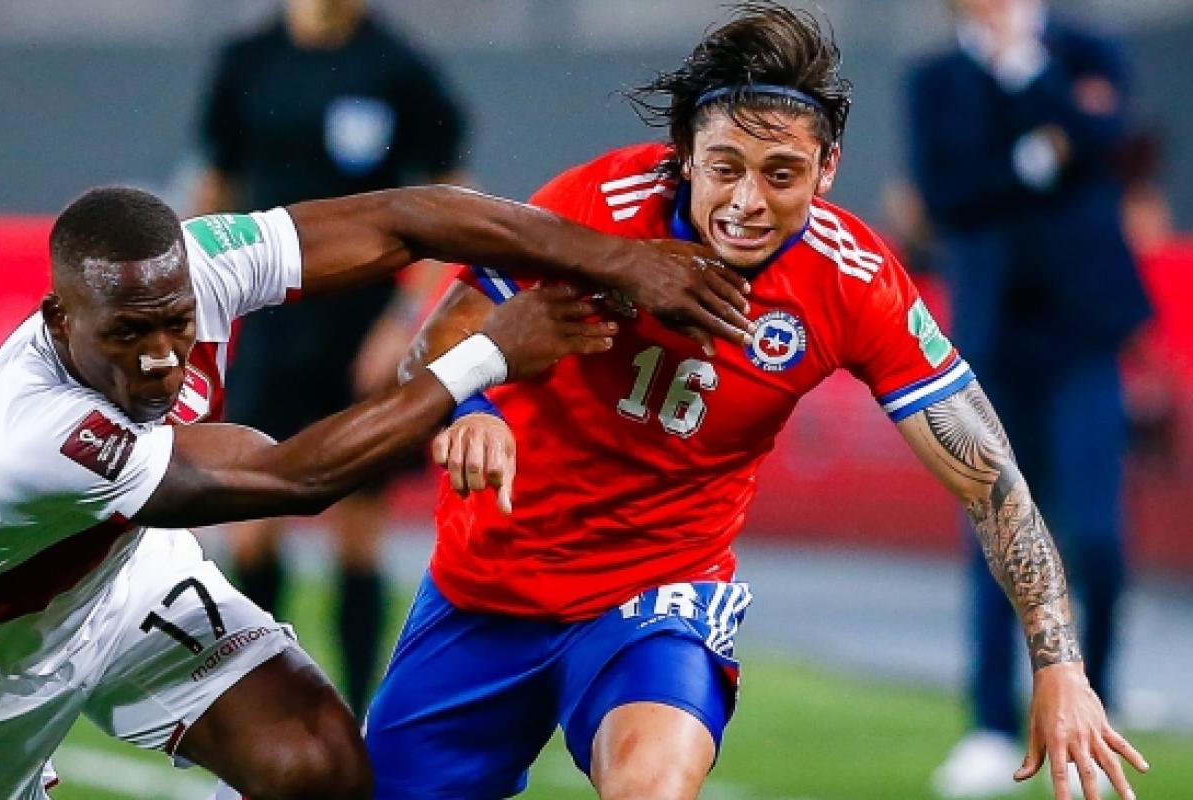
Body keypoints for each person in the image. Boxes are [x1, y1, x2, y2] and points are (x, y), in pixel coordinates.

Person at [359, 4, 1148, 800]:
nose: (747, 202)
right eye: (725, 167)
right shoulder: (602, 203)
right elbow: (435, 340)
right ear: (685, 157)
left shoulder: (852, 281)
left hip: (660, 594)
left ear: (828, 169)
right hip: (490, 580)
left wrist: (1061, 667)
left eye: (781, 174)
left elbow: (992, 481)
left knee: (650, 786)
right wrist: (472, 408)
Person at [0, 182, 756, 800]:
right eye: (128, 335)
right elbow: (294, 477)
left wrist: (616, 260)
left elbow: (405, 218)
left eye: (176, 324)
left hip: (120, 581)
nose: (162, 356)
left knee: (321, 767)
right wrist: (487, 355)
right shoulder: (31, 434)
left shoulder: (198, 265)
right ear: (60, 319)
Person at [904, 2, 1153, 795]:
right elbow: (947, 194)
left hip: (1083, 332)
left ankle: (1099, 697)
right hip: (992, 338)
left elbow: (1109, 145)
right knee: (996, 530)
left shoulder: (1084, 51)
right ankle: (990, 723)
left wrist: (1028, 76)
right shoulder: (937, 79)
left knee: (1098, 535)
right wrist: (1039, 153)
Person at [194, 0, 470, 712]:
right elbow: (217, 185)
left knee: (358, 533)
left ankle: (357, 714)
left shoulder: (397, 66)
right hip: (270, 326)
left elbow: (452, 194)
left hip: (362, 332)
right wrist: (196, 296)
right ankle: (262, 707)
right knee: (251, 525)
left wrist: (408, 318)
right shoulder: (248, 62)